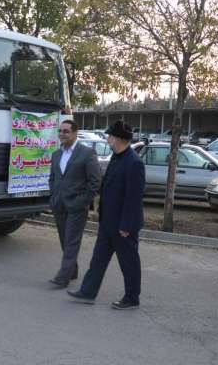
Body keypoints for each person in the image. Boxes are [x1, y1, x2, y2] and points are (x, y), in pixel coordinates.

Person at [67, 120, 145, 309]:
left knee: (129, 263)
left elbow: (133, 198)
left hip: (123, 226)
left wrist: (126, 226)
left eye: (110, 136)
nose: (107, 138)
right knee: (98, 259)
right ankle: (87, 292)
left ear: (118, 139)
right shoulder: (116, 157)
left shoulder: (134, 163)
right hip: (108, 222)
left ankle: (132, 298)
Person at [48, 120, 101, 289]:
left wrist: (82, 201)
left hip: (77, 206)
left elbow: (95, 182)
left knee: (71, 241)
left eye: (66, 131)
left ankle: (62, 277)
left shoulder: (87, 153)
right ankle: (72, 270)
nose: (62, 134)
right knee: (64, 239)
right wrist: (53, 196)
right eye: (60, 131)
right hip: (59, 205)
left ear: (75, 133)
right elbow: (53, 178)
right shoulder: (56, 154)